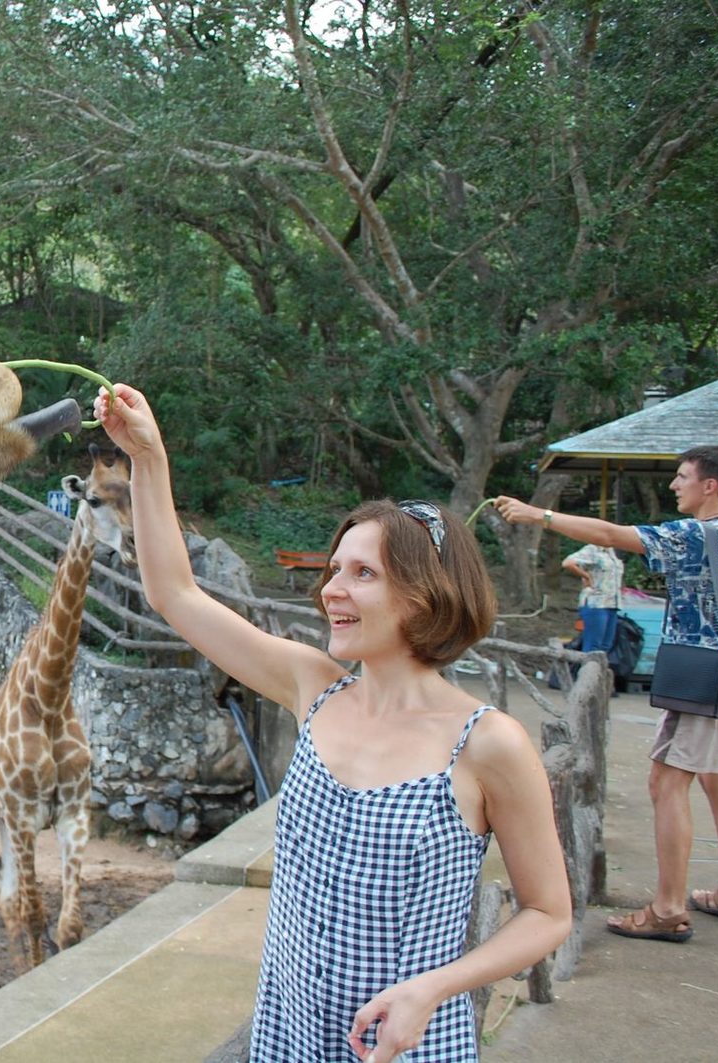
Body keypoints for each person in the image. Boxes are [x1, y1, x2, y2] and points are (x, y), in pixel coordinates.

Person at [93, 384, 571, 1063]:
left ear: (425, 596)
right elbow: (174, 592)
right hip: (286, 1037)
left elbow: (549, 912)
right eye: (333, 568)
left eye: (362, 573)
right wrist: (149, 456)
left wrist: (435, 987)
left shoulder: (488, 743)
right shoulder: (312, 686)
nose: (331, 591)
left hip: (402, 1048)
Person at [497, 444, 718, 942]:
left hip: (705, 675)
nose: (674, 486)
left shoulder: (693, 534)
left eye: (682, 477)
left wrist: (538, 514)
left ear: (709, 486)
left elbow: (612, 535)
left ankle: (668, 908)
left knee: (666, 782)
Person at [562, 542, 624, 654]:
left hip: (612, 603)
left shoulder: (611, 552)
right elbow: (567, 563)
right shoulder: (592, 550)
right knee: (593, 645)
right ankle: (587, 670)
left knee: (606, 645)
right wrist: (586, 576)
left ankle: (599, 670)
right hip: (596, 602)